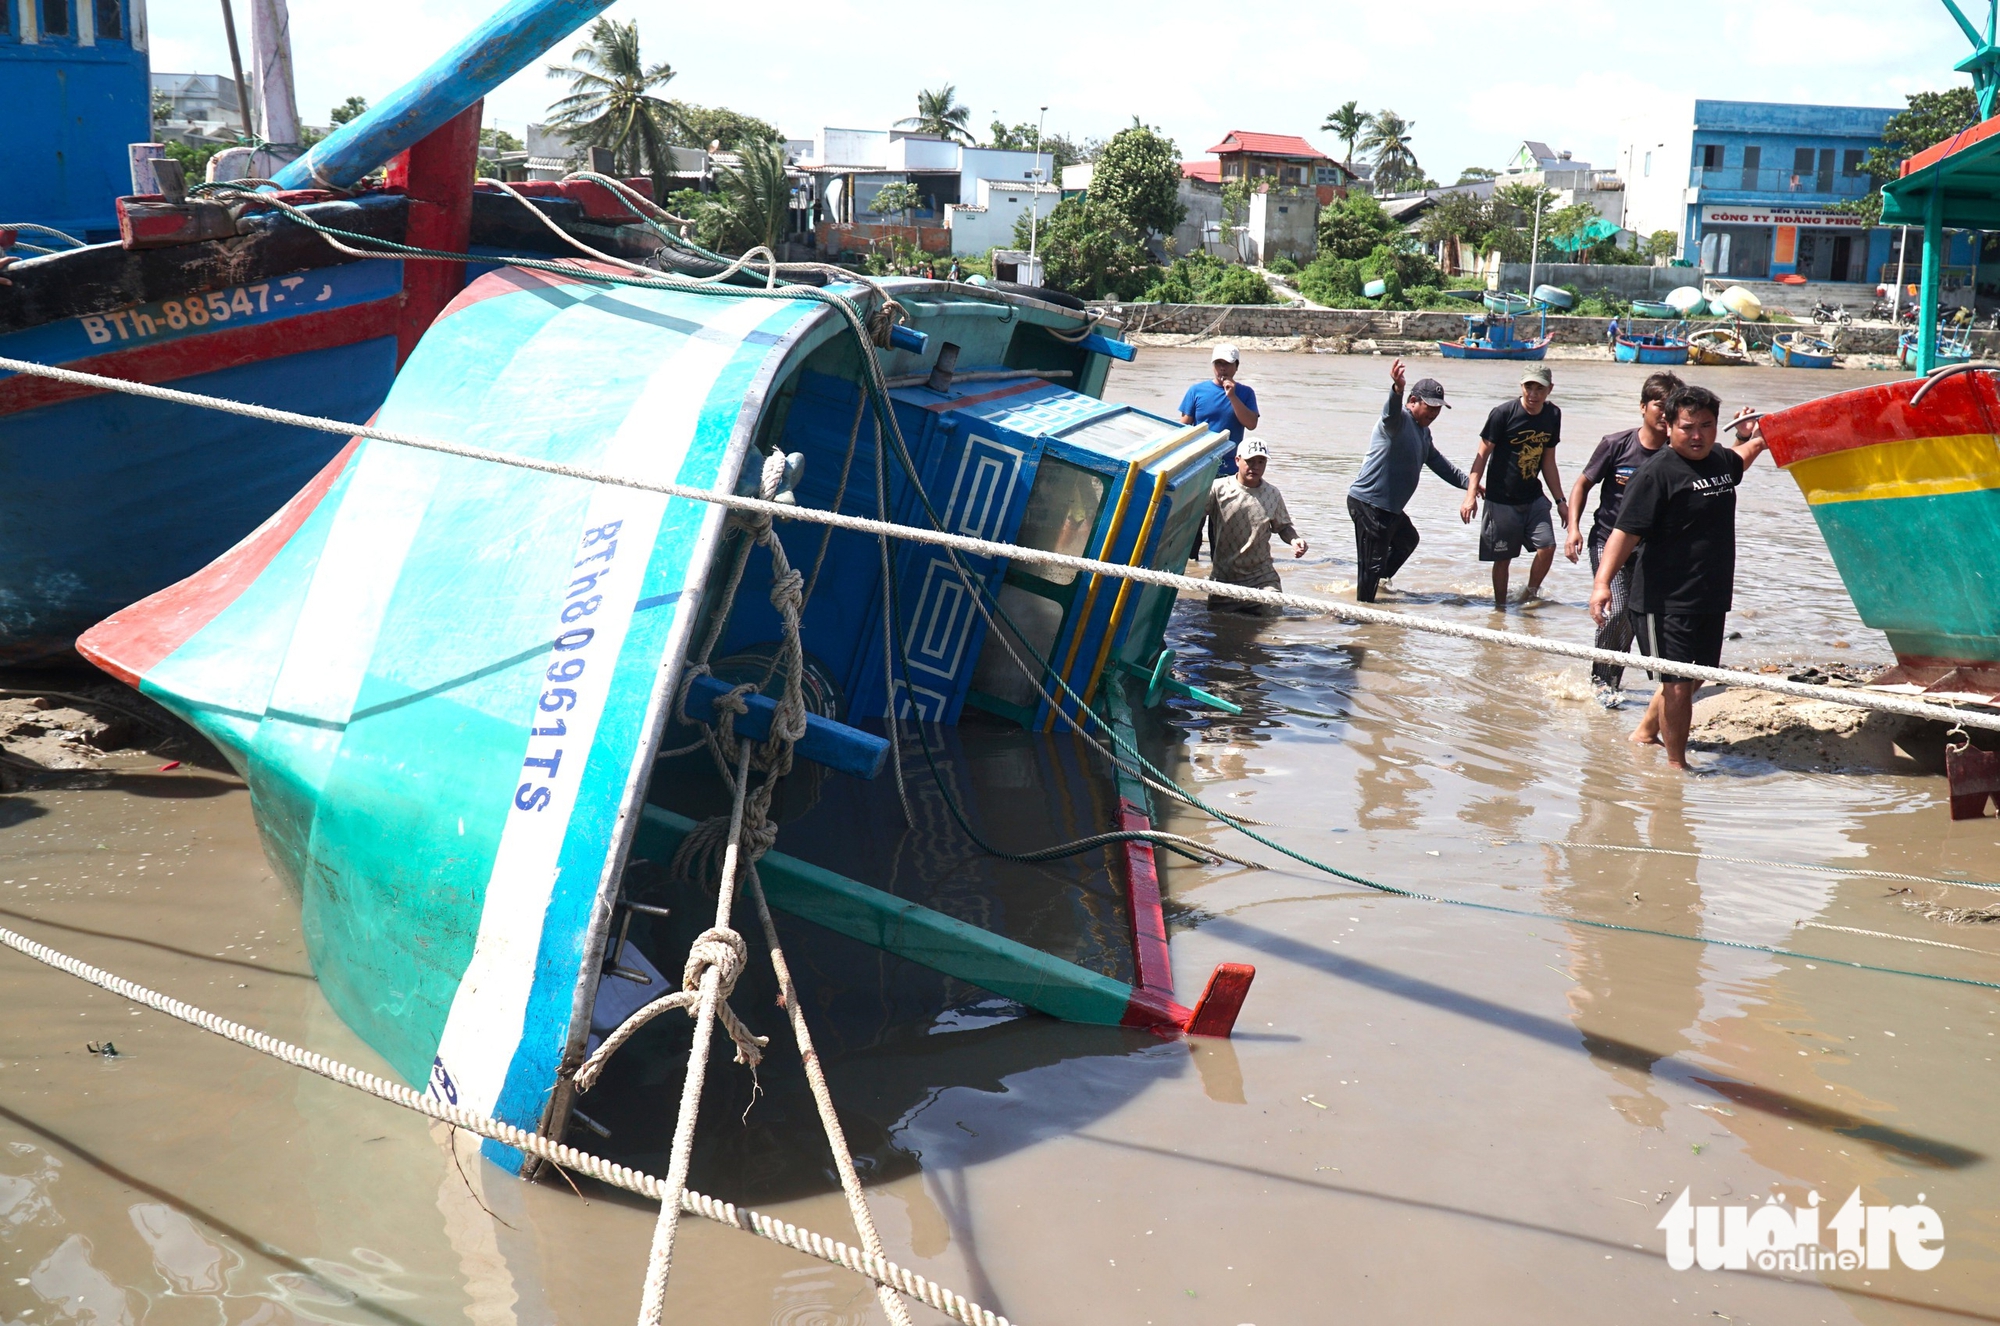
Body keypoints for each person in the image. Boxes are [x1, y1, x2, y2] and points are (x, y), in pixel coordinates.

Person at [1589, 385, 1769, 770]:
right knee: (1676, 684)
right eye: (1688, 427)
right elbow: (1624, 533)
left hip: (1710, 593)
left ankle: (1644, 732)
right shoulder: (1655, 473)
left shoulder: (1718, 458)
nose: (1697, 435)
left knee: (1699, 674)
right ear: (1668, 426)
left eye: (1706, 425)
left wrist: (1753, 438)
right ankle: (1676, 769)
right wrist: (1602, 584)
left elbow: (1741, 459)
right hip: (1664, 599)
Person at [1563, 371, 1682, 708]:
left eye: (1671, 407)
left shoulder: (1676, 454)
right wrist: (1573, 528)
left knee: (1634, 615)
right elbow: (1582, 484)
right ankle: (1600, 682)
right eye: (1659, 405)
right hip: (1608, 541)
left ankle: (1612, 681)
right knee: (1615, 610)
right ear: (1643, 406)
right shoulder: (1616, 444)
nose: (1665, 413)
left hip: (1649, 549)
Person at [1347, 358, 1469, 602]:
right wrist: (1397, 389)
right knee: (1371, 566)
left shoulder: (1423, 432)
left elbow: (1440, 464)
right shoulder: (1397, 421)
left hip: (1389, 509)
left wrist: (1471, 485)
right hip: (1370, 504)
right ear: (1413, 401)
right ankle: (1361, 614)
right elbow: (1390, 410)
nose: (1434, 413)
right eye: (1430, 407)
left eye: (1438, 409)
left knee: (1407, 540)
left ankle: (1377, 588)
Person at [1462, 364, 1569, 609]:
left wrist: (1561, 501)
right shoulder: (1502, 414)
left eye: (1539, 388)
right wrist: (1470, 495)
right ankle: (1500, 609)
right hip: (1501, 500)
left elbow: (1548, 461)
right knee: (1503, 559)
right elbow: (1481, 456)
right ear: (1521, 386)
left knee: (1548, 547)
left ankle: (1528, 596)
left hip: (1533, 497)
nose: (1533, 394)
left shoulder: (1553, 415)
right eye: (1529, 387)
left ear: (1550, 389)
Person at [1205, 438, 1306, 615]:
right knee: (1217, 626)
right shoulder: (1218, 489)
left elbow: (1283, 527)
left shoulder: (1272, 493)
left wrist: (1295, 540)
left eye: (1261, 462)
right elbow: (1191, 519)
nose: (1255, 467)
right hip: (1224, 579)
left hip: (1262, 578)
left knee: (1272, 617)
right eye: (1250, 461)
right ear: (1237, 461)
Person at [1180, 343, 1260, 476]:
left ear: (1236, 366)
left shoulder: (1246, 393)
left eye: (1227, 364)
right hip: (1199, 464)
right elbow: (1183, 428)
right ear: (1213, 366)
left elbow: (1251, 424)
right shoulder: (1196, 391)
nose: (1222, 368)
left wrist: (1232, 396)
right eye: (1218, 363)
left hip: (1230, 466)